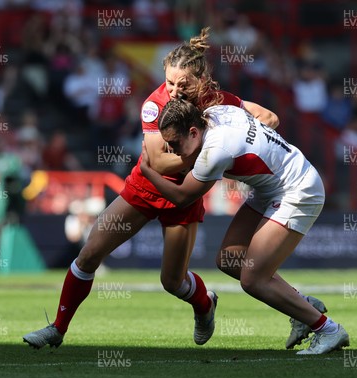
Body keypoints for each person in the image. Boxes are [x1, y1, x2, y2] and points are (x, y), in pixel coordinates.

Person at [23, 27, 288, 349]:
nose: (174, 90)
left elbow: (269, 118)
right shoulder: (154, 104)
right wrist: (211, 157)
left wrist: (237, 143)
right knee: (89, 254)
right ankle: (57, 329)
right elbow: (158, 163)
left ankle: (205, 305)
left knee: (172, 282)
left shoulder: (217, 102)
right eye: (170, 82)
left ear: (201, 80)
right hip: (143, 190)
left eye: (183, 84)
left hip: (185, 197)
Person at [139, 99, 350, 354]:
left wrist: (147, 170)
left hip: (297, 190)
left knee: (253, 280)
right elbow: (268, 118)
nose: (173, 152)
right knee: (230, 259)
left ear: (193, 132)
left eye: (175, 144)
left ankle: (328, 330)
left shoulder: (215, 151)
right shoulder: (215, 113)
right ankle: (303, 306)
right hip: (272, 187)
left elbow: (183, 196)